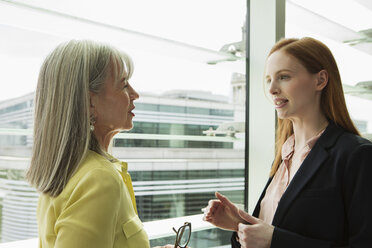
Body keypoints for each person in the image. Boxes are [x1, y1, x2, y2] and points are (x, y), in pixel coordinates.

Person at [203, 37, 372, 247]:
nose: (272, 89)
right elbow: (273, 232)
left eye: (283, 77)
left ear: (320, 80)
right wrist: (241, 226)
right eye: (268, 79)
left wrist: (275, 240)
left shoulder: (357, 155)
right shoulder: (284, 155)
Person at [26, 40, 175, 248]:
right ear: (89, 102)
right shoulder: (99, 179)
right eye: (123, 84)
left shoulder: (70, 172)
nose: (135, 94)